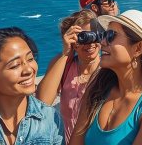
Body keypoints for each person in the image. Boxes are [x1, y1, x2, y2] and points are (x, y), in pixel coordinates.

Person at [70, 9, 142, 145]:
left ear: (138, 48)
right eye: (103, 35)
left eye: (110, 36)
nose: (102, 42)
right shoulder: (97, 89)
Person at [37, 10, 102, 142]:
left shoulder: (108, 70)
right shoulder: (64, 66)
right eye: (83, 37)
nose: (90, 43)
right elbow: (42, 102)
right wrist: (66, 53)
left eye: (95, 35)